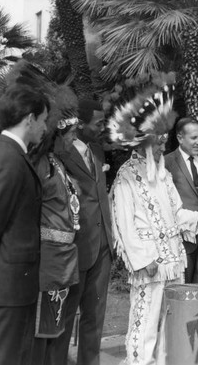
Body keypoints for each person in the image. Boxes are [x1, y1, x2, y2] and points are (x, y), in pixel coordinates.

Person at [108, 82, 198, 364]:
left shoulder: (164, 174)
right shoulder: (126, 176)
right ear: (143, 142)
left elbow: (176, 211)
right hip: (150, 263)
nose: (162, 145)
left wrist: (197, 217)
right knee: (144, 320)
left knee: (169, 320)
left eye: (163, 140)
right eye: (158, 140)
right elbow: (122, 225)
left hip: (173, 260)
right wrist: (143, 259)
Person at [0, 84, 49, 365]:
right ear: (30, 119)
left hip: (11, 288)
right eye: (44, 120)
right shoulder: (7, 160)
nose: (45, 129)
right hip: (3, 290)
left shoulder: (11, 156)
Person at [52, 99, 113, 365]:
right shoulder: (60, 153)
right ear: (80, 124)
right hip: (76, 249)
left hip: (102, 248)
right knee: (65, 318)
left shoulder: (98, 151)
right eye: (98, 123)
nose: (103, 127)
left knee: (95, 316)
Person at [30, 86, 81, 364]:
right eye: (71, 134)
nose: (74, 139)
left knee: (57, 329)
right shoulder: (40, 165)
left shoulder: (58, 164)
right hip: (48, 260)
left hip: (65, 260)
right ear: (58, 133)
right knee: (42, 331)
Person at [165, 117, 198, 283]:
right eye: (194, 138)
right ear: (180, 138)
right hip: (181, 237)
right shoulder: (166, 163)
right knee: (181, 291)